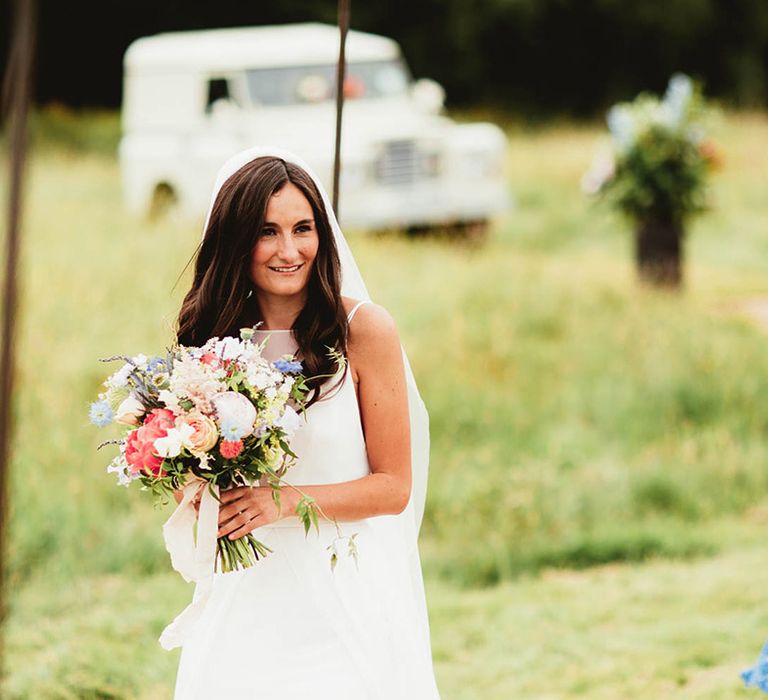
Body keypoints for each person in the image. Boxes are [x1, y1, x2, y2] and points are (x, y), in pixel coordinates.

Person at [169, 147, 441, 699]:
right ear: (236, 239)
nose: (289, 250)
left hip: (342, 590)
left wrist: (283, 500)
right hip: (247, 595)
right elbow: (199, 470)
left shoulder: (364, 331)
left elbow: (393, 488)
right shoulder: (212, 341)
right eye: (267, 232)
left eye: (303, 228)